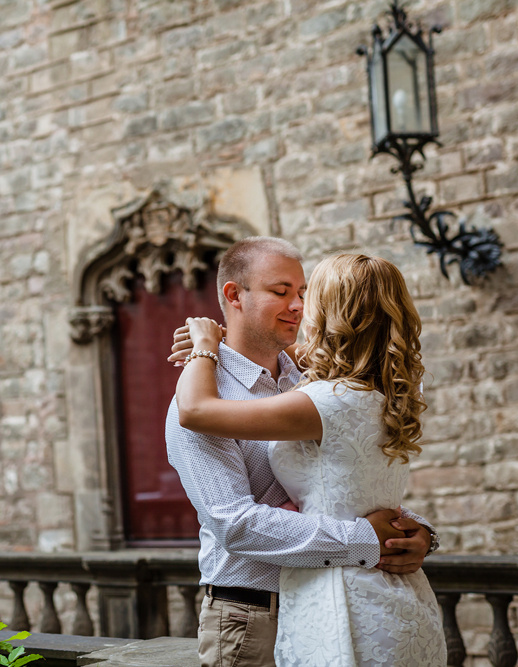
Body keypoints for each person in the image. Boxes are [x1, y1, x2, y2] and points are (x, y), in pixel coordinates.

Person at [164, 237, 440, 667]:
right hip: (254, 614)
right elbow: (233, 524)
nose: (297, 305)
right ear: (234, 295)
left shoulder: (316, 384)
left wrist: (413, 531)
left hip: (333, 602)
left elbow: (349, 479)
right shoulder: (200, 398)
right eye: (281, 292)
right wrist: (369, 539)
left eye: (303, 292)